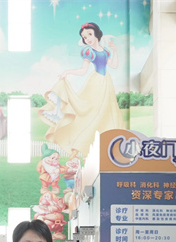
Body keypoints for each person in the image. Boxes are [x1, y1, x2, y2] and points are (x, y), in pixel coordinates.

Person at [38, 22, 122, 155]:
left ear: (97, 34)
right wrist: (68, 72)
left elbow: (114, 65)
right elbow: (83, 70)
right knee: (90, 111)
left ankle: (104, 145)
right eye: (84, 37)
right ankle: (77, 147)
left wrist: (115, 51)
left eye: (89, 34)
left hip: (106, 83)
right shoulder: (89, 52)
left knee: (106, 112)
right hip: (95, 83)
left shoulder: (106, 51)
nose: (87, 38)